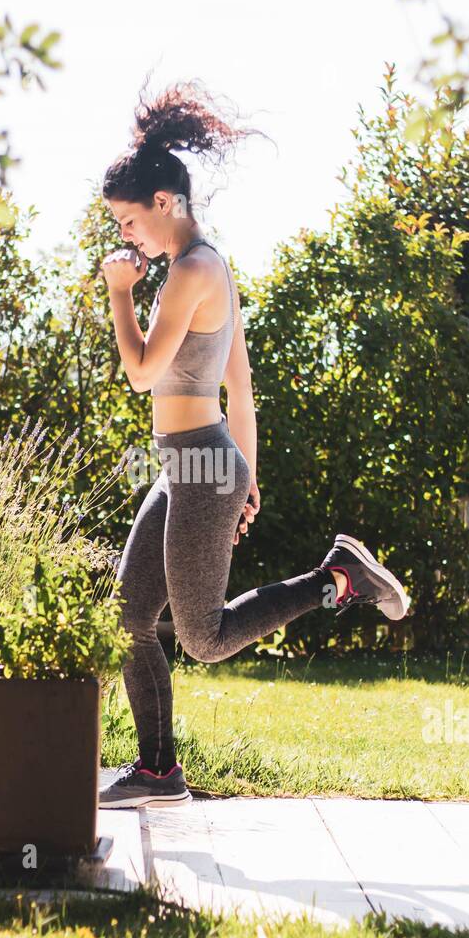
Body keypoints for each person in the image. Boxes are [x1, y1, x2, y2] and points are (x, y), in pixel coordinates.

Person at [98, 79, 409, 808]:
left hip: (201, 466)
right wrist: (249, 476)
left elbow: (143, 374)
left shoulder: (194, 271)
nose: (126, 239)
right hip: (198, 468)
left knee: (201, 637)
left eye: (129, 223)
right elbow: (239, 386)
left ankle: (337, 577)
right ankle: (158, 771)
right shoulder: (211, 269)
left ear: (164, 205)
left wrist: (117, 294)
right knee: (130, 619)